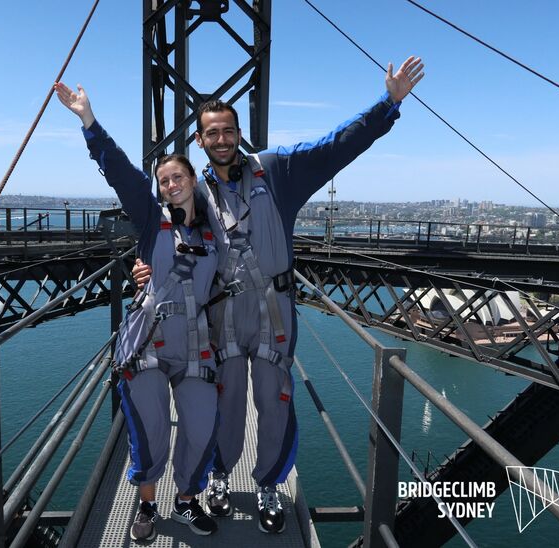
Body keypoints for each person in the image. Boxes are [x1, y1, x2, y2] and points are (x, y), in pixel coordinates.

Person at [132, 55, 425, 534]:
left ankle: (268, 482)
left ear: (238, 133)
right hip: (221, 312)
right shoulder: (193, 191)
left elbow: (335, 147)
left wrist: (386, 104)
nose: (221, 140)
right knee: (225, 403)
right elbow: (161, 229)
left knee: (273, 401)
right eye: (212, 134)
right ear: (200, 141)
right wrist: (143, 265)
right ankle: (220, 476)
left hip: (272, 310)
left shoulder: (277, 171)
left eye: (228, 131)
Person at [56, 82, 221, 542]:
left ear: (193, 180)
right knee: (149, 433)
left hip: (195, 346)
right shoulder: (152, 221)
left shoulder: (217, 232)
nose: (170, 184)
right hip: (148, 344)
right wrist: (90, 122)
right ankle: (148, 505)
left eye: (177, 177)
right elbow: (124, 176)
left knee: (201, 426)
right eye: (164, 180)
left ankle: (187, 500)